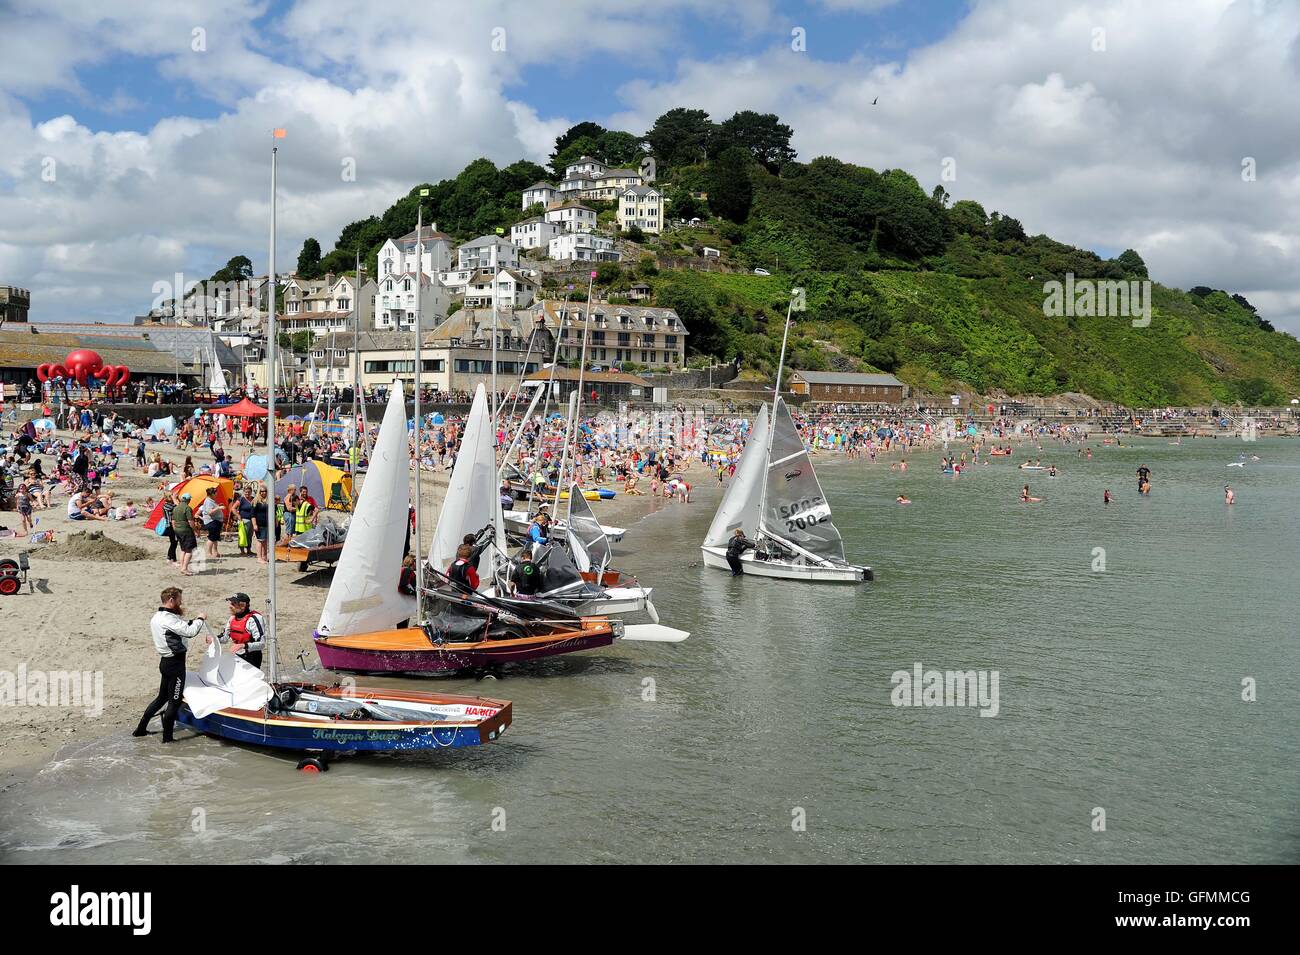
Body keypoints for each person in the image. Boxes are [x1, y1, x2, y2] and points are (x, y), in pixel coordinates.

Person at [133, 587, 208, 743]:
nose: (182, 602)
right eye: (180, 599)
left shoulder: (158, 616)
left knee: (161, 698)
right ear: (171, 600)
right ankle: (167, 739)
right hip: (174, 665)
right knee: (175, 700)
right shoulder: (168, 619)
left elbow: (179, 628)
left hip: (166, 663)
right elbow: (189, 632)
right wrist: (200, 619)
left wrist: (193, 621)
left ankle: (140, 730)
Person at [219, 592, 266, 670]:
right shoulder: (232, 618)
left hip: (252, 658)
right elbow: (224, 638)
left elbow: (261, 644)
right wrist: (214, 638)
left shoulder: (254, 619)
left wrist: (243, 646)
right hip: (236, 656)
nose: (230, 606)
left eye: (233, 604)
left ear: (242, 606)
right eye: (231, 603)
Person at [173, 492, 198, 575]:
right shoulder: (187, 508)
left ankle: (182, 567)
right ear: (188, 500)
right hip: (186, 530)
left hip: (178, 529)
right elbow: (191, 521)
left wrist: (175, 530)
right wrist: (196, 530)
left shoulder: (176, 508)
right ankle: (184, 568)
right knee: (189, 550)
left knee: (183, 549)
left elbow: (173, 521)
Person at [198, 485, 224, 558]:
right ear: (212, 494)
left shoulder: (211, 501)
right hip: (212, 521)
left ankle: (215, 552)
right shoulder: (208, 501)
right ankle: (209, 552)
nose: (217, 494)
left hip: (216, 521)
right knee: (211, 538)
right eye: (216, 493)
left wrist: (218, 506)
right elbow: (210, 512)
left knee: (215, 538)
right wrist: (219, 507)